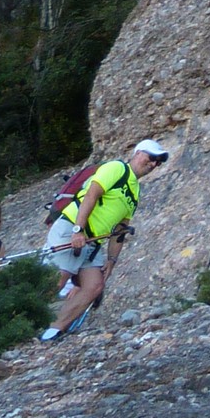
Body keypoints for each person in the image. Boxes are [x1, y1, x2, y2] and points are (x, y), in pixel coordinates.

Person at [40, 137, 169, 341]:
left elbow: (120, 229)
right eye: (151, 157)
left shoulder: (135, 191)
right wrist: (78, 230)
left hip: (92, 243)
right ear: (137, 153)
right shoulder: (117, 168)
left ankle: (53, 330)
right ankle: (25, 322)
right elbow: (91, 195)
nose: (153, 164)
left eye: (158, 162)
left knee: (94, 286)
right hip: (72, 229)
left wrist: (111, 261)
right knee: (58, 279)